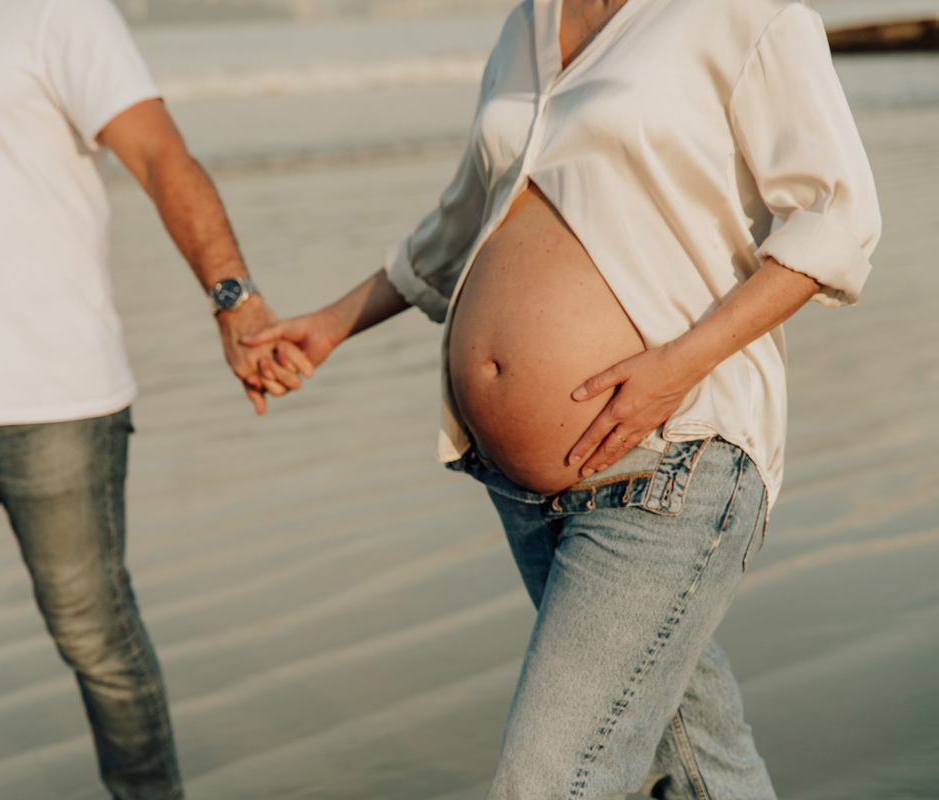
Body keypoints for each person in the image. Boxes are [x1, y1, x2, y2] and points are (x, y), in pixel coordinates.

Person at [245, 0, 880, 796]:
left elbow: (837, 214)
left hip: (670, 459)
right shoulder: (527, 24)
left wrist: (679, 365)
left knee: (547, 781)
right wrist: (332, 325)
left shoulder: (740, 11)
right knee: (699, 764)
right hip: (523, 489)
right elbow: (467, 217)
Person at [0, 0, 309, 797]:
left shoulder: (58, 11)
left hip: (58, 403)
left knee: (96, 639)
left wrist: (234, 299)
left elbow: (159, 157)